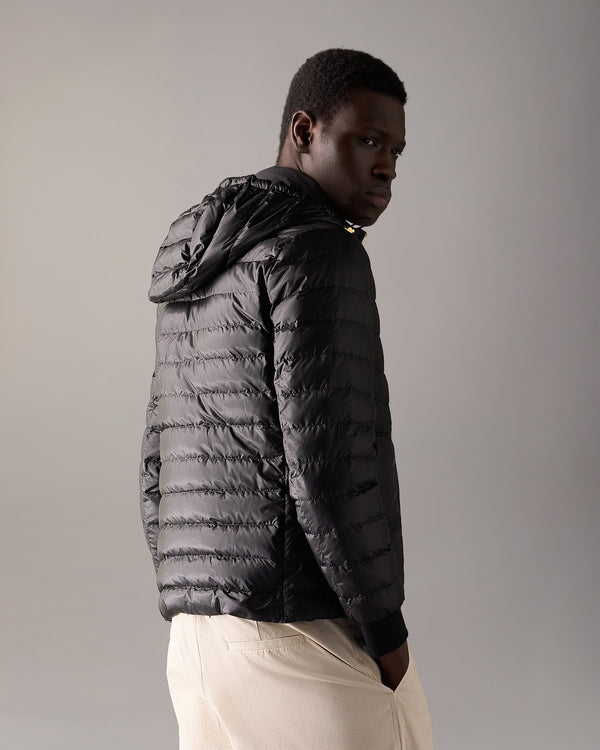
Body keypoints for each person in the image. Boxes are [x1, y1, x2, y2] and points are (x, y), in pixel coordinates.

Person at [139, 47, 433, 750]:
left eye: (396, 150)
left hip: (199, 646)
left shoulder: (202, 255)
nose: (388, 167)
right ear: (306, 131)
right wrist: (386, 634)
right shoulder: (321, 253)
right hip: (300, 635)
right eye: (368, 140)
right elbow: (330, 466)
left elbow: (158, 458)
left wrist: (195, 599)